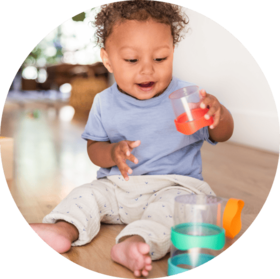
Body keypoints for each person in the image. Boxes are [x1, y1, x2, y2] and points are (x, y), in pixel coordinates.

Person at [28, 0, 234, 277]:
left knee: (176, 208)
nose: (147, 70)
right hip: (118, 188)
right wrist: (112, 153)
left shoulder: (190, 97)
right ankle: (63, 228)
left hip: (174, 186)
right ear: (108, 60)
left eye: (160, 58)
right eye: (132, 60)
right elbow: (93, 149)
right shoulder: (103, 102)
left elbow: (221, 134)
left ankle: (134, 243)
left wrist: (219, 114)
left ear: (172, 52)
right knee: (86, 194)